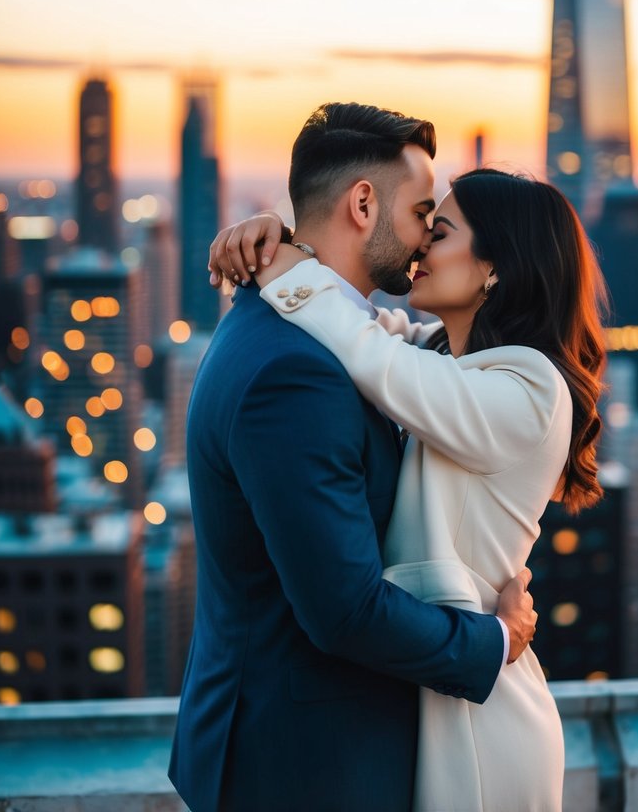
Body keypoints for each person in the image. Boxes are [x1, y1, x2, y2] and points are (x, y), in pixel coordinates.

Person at [169, 103, 537, 812]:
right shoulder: (297, 370)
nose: (428, 237)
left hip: (293, 750)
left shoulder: (306, 330)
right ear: (362, 204)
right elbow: (344, 611)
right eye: (423, 212)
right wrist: (494, 640)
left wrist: (281, 252)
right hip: (306, 768)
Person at [211, 165, 607, 812]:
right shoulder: (448, 361)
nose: (420, 244)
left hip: (484, 717)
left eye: (440, 230)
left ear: (494, 266)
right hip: (443, 677)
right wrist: (279, 240)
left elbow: (368, 352)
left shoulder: (530, 389)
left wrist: (283, 261)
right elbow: (361, 324)